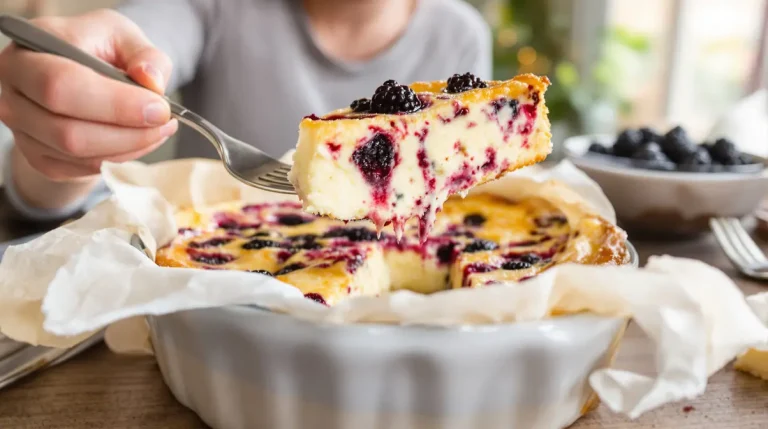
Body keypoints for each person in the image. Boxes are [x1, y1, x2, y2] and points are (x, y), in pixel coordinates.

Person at [0, 0, 491, 222]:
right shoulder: (217, 8)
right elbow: (137, 40)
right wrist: (64, 139)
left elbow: (466, 197)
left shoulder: (461, 35)